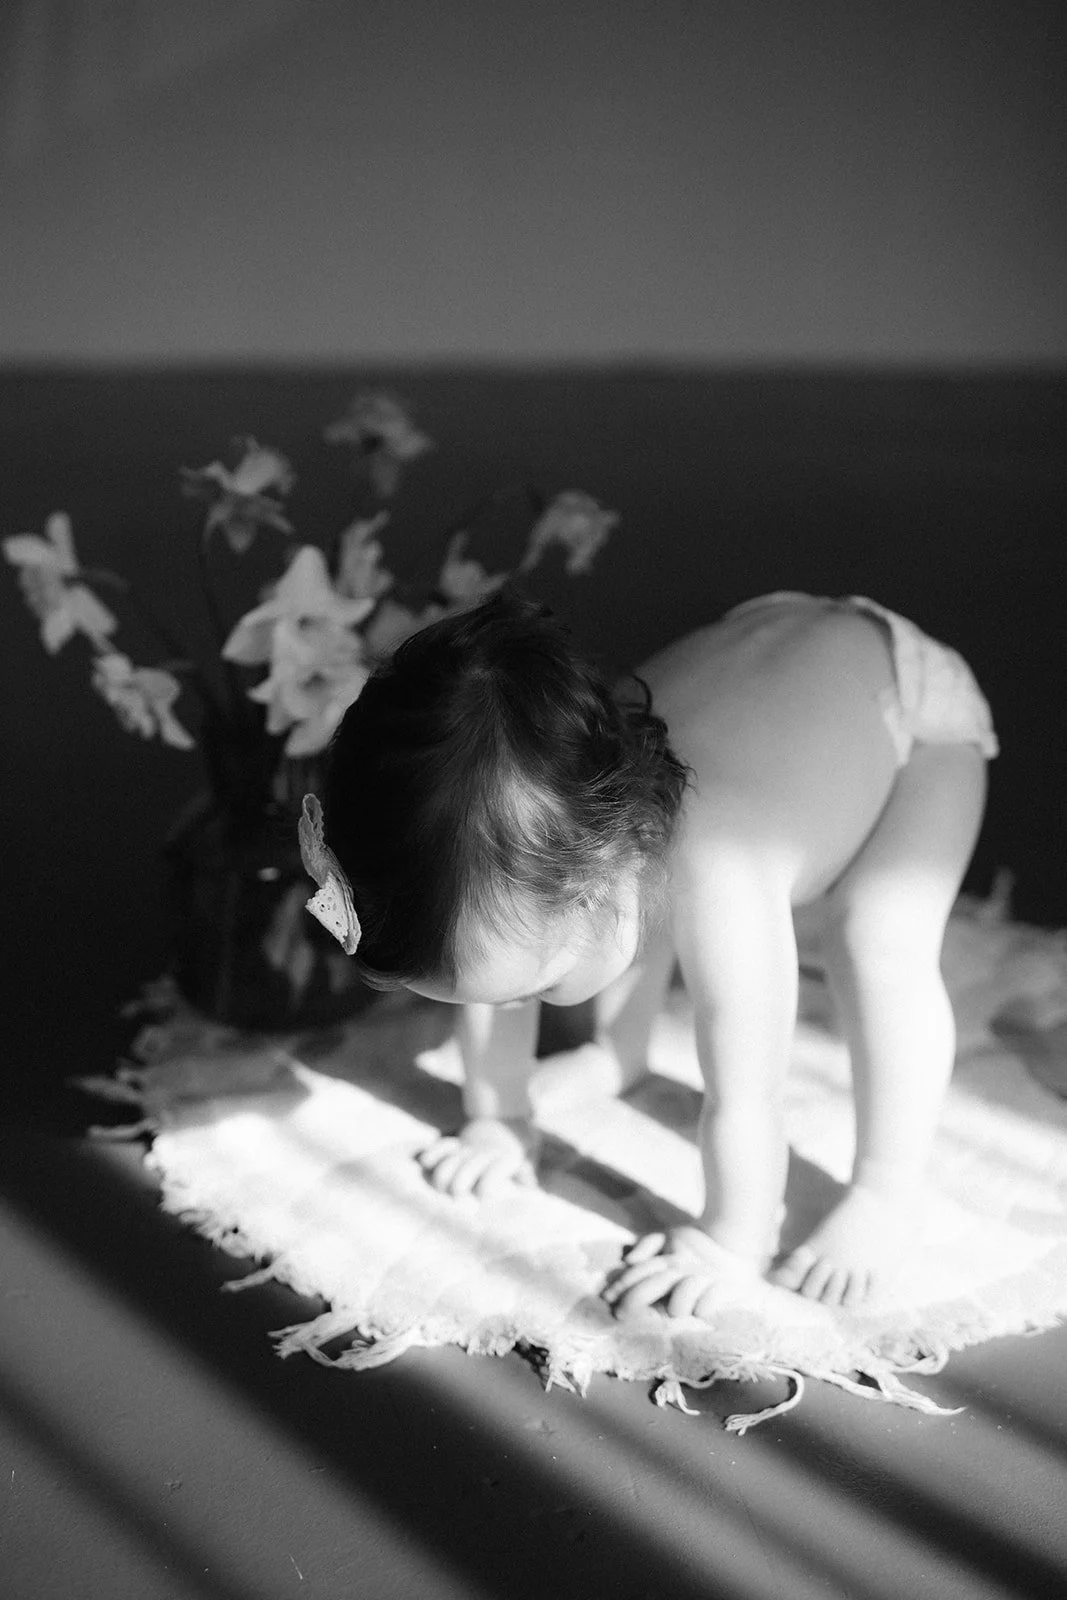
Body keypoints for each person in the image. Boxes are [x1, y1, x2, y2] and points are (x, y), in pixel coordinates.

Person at [301, 585, 997, 1313]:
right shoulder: (565, 811)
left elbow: (748, 1093)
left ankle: (888, 1190)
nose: (507, 1012)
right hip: (777, 659)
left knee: (875, 937)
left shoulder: (726, 875)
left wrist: (732, 1238)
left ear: (601, 884)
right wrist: (497, 1118)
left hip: (911, 717)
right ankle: (618, 1054)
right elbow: (492, 970)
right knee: (563, 910)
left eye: (532, 992)